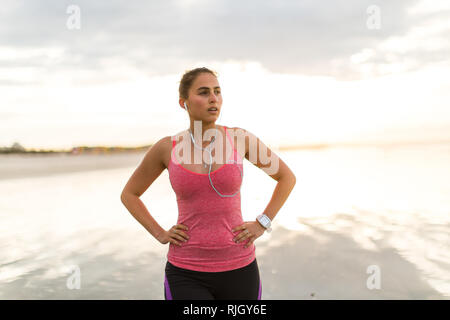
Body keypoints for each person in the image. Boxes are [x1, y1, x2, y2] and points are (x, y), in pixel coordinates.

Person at [120, 67, 296, 300]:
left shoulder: (239, 139)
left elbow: (286, 178)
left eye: (217, 91)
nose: (213, 98)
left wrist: (262, 223)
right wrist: (160, 233)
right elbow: (130, 194)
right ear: (184, 102)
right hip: (186, 270)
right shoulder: (167, 147)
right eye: (203, 92)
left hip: (240, 267)